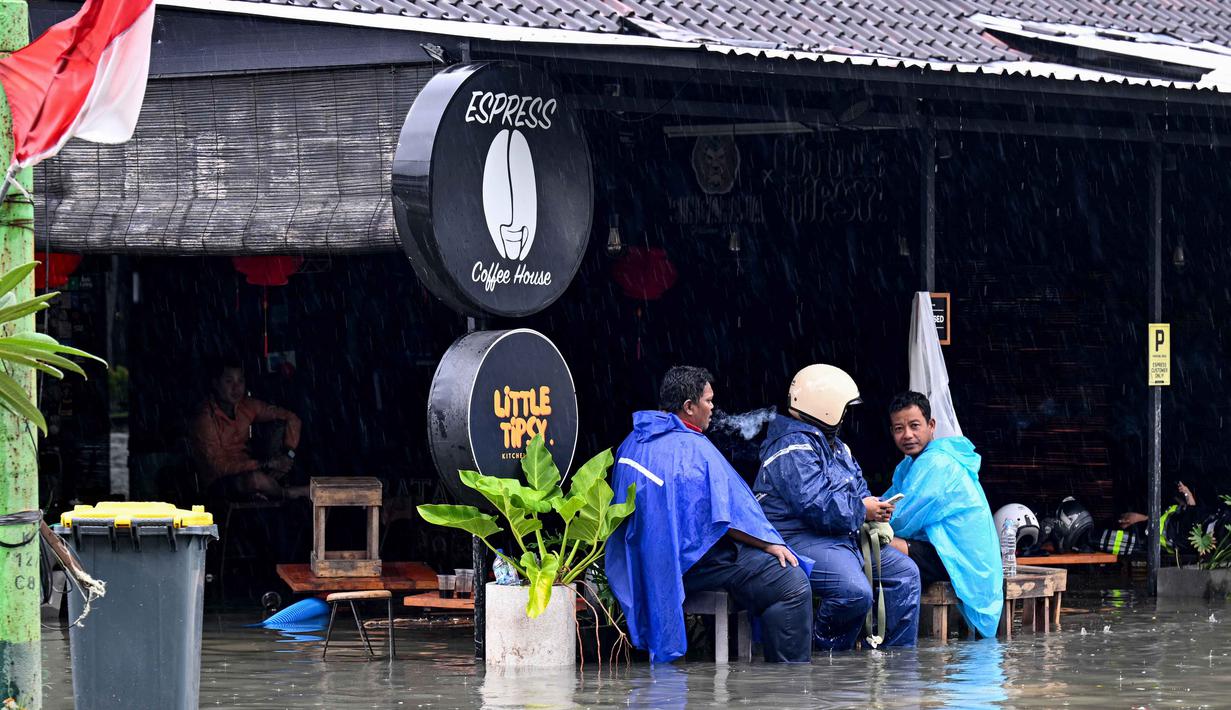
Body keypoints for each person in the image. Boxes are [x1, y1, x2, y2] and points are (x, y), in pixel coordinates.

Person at [605, 366, 813, 664]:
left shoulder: (632, 442)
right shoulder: (693, 449)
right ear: (689, 407)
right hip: (684, 567)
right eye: (708, 401)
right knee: (791, 582)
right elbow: (726, 517)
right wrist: (768, 543)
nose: (713, 408)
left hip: (638, 568)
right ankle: (790, 686)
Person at [755, 364, 920, 651]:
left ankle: (897, 668)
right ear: (827, 406)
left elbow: (859, 489)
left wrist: (876, 508)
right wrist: (861, 509)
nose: (847, 415)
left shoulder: (837, 447)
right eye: (845, 408)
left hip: (841, 537)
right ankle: (827, 662)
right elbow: (814, 504)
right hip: (798, 538)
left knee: (906, 574)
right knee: (853, 592)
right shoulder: (792, 446)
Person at [881, 391, 1003, 639]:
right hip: (944, 551)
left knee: (878, 543)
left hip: (962, 561)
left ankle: (891, 640)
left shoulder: (937, 463)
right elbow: (886, 502)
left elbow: (900, 520)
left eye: (915, 426)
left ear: (931, 425)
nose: (908, 435)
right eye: (899, 428)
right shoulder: (908, 466)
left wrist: (864, 519)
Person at [189, 358, 304, 500]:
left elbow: (291, 418)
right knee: (255, 480)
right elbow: (218, 467)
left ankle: (270, 491)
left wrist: (288, 454)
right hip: (219, 481)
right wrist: (264, 464)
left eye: (240, 381)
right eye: (229, 381)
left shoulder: (246, 406)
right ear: (216, 384)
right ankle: (287, 494)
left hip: (251, 470)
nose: (236, 388)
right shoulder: (205, 418)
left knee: (289, 469)